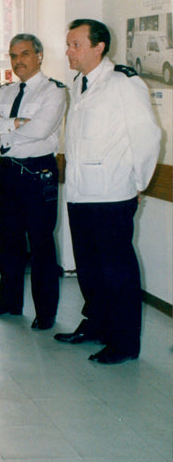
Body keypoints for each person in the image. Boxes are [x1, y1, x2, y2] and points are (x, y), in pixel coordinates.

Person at [55, 19, 161, 364]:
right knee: (89, 268)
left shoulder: (123, 84)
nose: (68, 51)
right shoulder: (80, 83)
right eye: (68, 44)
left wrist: (136, 184)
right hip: (82, 193)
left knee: (117, 271)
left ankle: (125, 343)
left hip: (112, 195)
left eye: (75, 45)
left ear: (98, 47)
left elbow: (147, 137)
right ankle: (96, 325)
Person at [0, 33, 67, 330]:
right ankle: (9, 302)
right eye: (13, 56)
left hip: (37, 173)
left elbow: (40, 131)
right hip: (8, 171)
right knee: (8, 241)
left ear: (39, 55)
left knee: (40, 244)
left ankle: (45, 312)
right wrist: (14, 123)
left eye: (25, 54)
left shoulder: (53, 91)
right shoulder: (6, 91)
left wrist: (3, 131)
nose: (18, 61)